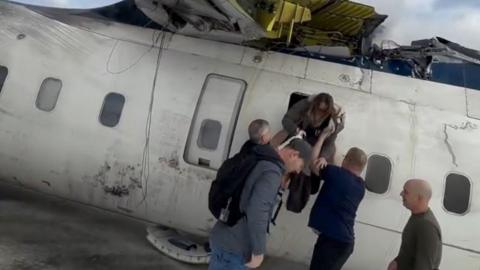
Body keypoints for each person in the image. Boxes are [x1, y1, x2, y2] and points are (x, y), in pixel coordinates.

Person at [209, 138, 312, 270]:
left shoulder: (261, 158)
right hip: (234, 248)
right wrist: (258, 251)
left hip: (225, 235)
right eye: (301, 166)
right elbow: (257, 212)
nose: (298, 171)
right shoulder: (272, 173)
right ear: (294, 155)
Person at [308, 147, 367, 270]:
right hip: (343, 242)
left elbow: (313, 164)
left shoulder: (336, 174)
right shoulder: (360, 186)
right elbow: (339, 176)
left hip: (332, 243)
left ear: (346, 159)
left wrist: (323, 137)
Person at [388, 179, 442, 270]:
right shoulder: (417, 216)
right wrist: (397, 262)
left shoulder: (426, 226)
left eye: (406, 192)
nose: (401, 194)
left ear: (419, 198)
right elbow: (410, 251)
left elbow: (424, 267)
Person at [281, 92, 345, 164]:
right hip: (300, 140)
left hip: (318, 148)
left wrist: (323, 157)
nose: (319, 113)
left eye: (323, 111)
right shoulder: (306, 107)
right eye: (318, 109)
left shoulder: (332, 121)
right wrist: (296, 129)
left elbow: (330, 144)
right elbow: (286, 119)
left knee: (329, 155)